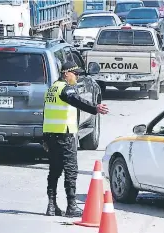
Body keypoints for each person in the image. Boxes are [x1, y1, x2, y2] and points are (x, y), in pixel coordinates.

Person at [42, 61, 109, 218]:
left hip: (51, 135)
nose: (77, 77)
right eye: (75, 74)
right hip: (65, 135)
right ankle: (71, 206)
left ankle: (51, 206)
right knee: (71, 170)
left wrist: (44, 137)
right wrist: (95, 108)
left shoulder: (52, 89)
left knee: (54, 171)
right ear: (66, 73)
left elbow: (46, 114)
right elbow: (75, 100)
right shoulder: (66, 89)